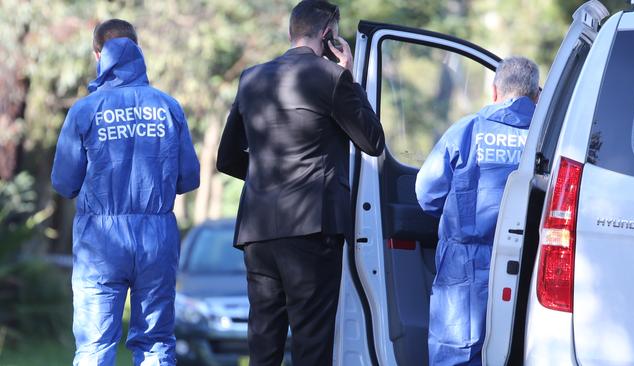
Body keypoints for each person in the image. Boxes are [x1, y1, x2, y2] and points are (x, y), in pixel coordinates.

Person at [216, 1, 385, 365]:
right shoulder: (332, 78)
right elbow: (373, 141)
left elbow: (226, 159)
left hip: (257, 232)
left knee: (263, 344)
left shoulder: (252, 77)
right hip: (312, 229)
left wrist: (269, 177)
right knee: (312, 344)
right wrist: (350, 76)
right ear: (328, 36)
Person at [51, 19, 200, 365]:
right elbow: (188, 179)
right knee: (156, 342)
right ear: (137, 50)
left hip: (100, 242)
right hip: (156, 239)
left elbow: (64, 183)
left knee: (94, 345)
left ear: (98, 54)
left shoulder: (85, 111)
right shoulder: (168, 107)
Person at [415, 57, 540, 365]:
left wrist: (453, 219)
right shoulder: (548, 137)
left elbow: (427, 191)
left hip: (465, 263)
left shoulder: (467, 130)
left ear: (495, 91)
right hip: (529, 262)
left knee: (455, 353)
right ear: (537, 94)